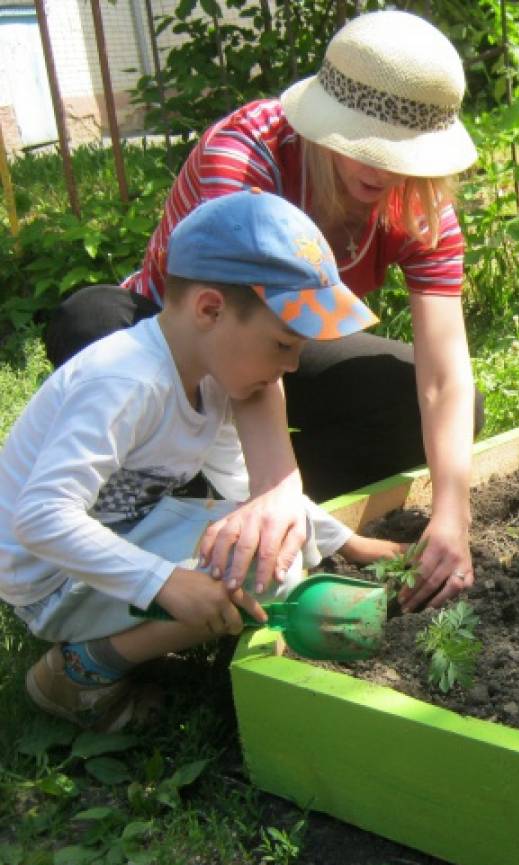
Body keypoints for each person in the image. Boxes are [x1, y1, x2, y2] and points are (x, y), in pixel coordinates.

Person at [42, 10, 480, 611]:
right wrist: (276, 485)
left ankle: (244, 513)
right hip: (189, 342)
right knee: (89, 324)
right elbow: (238, 331)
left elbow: (443, 374)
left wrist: (451, 516)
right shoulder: (248, 151)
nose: (381, 168)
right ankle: (191, 500)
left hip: (284, 343)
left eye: (402, 152)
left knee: (425, 402)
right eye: (363, 143)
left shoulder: (421, 207)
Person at [3, 190, 407, 732]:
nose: (290, 367)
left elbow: (248, 489)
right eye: (283, 344)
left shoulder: (210, 379)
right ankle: (78, 672)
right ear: (210, 309)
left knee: (265, 545)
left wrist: (345, 541)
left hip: (123, 536)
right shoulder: (124, 381)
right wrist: (164, 583)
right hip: (52, 582)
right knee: (259, 577)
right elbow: (40, 518)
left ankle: (152, 624)